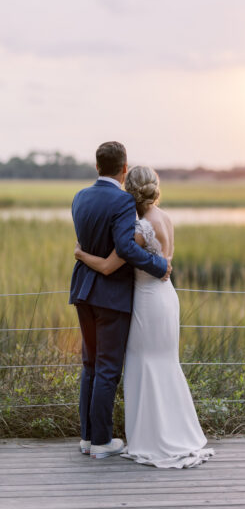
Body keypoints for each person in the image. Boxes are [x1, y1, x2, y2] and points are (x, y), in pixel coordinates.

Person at [74, 164, 215, 468]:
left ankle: (150, 438)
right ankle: (176, 432)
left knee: (143, 364)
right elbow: (164, 262)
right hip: (166, 298)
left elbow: (110, 266)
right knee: (164, 363)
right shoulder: (165, 218)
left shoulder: (140, 230)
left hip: (147, 303)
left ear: (129, 191)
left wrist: (82, 255)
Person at [70, 142, 172, 460]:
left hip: (83, 290)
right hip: (111, 296)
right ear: (123, 167)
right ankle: (102, 441)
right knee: (107, 370)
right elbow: (125, 248)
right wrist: (159, 266)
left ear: (97, 166)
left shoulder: (80, 197)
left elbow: (88, 241)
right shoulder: (124, 201)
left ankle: (87, 438)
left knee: (90, 366)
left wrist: (82, 254)